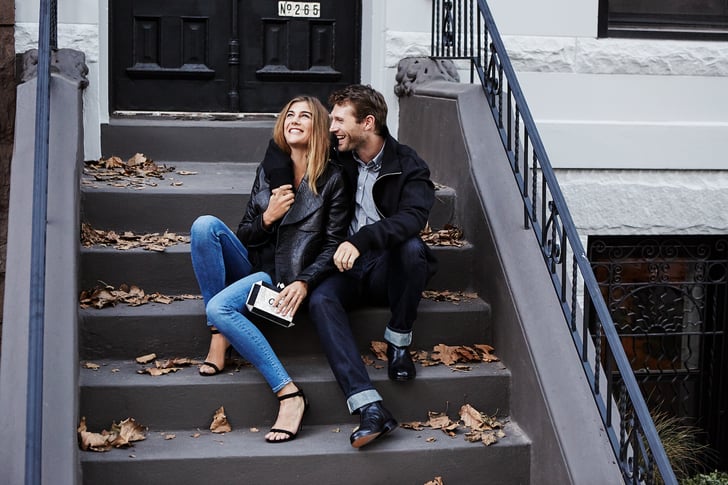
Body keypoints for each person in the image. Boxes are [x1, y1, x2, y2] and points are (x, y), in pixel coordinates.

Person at [190, 95, 349, 442]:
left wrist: (305, 282)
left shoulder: (334, 179)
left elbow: (333, 245)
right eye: (290, 114)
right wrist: (268, 217)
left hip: (284, 278)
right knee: (204, 226)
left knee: (219, 307)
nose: (294, 120)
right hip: (254, 264)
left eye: (305, 116)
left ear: (318, 127)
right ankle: (219, 335)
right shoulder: (269, 170)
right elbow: (245, 233)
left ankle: (289, 393)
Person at [308, 84, 437, 449]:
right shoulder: (337, 156)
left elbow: (413, 218)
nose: (331, 127)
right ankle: (370, 407)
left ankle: (398, 340)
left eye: (339, 120)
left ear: (367, 122)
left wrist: (361, 240)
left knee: (412, 249)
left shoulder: (409, 164)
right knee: (321, 300)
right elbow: (283, 148)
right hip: (344, 267)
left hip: (385, 266)